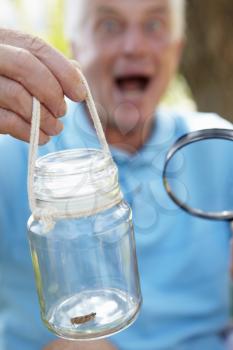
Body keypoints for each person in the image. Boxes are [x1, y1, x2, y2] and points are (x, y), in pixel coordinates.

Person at [0, 1, 232, 350]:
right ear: (74, 47)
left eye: (154, 25)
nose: (134, 47)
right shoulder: (14, 150)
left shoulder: (219, 146)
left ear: (177, 47)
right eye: (109, 26)